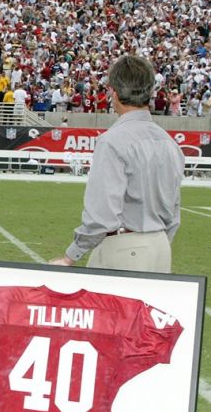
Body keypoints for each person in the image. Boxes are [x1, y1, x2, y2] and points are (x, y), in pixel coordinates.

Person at [48, 55, 184, 273]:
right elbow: (173, 208)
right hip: (159, 245)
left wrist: (70, 255)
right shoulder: (169, 143)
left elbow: (101, 214)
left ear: (114, 92)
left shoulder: (113, 141)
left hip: (125, 247)